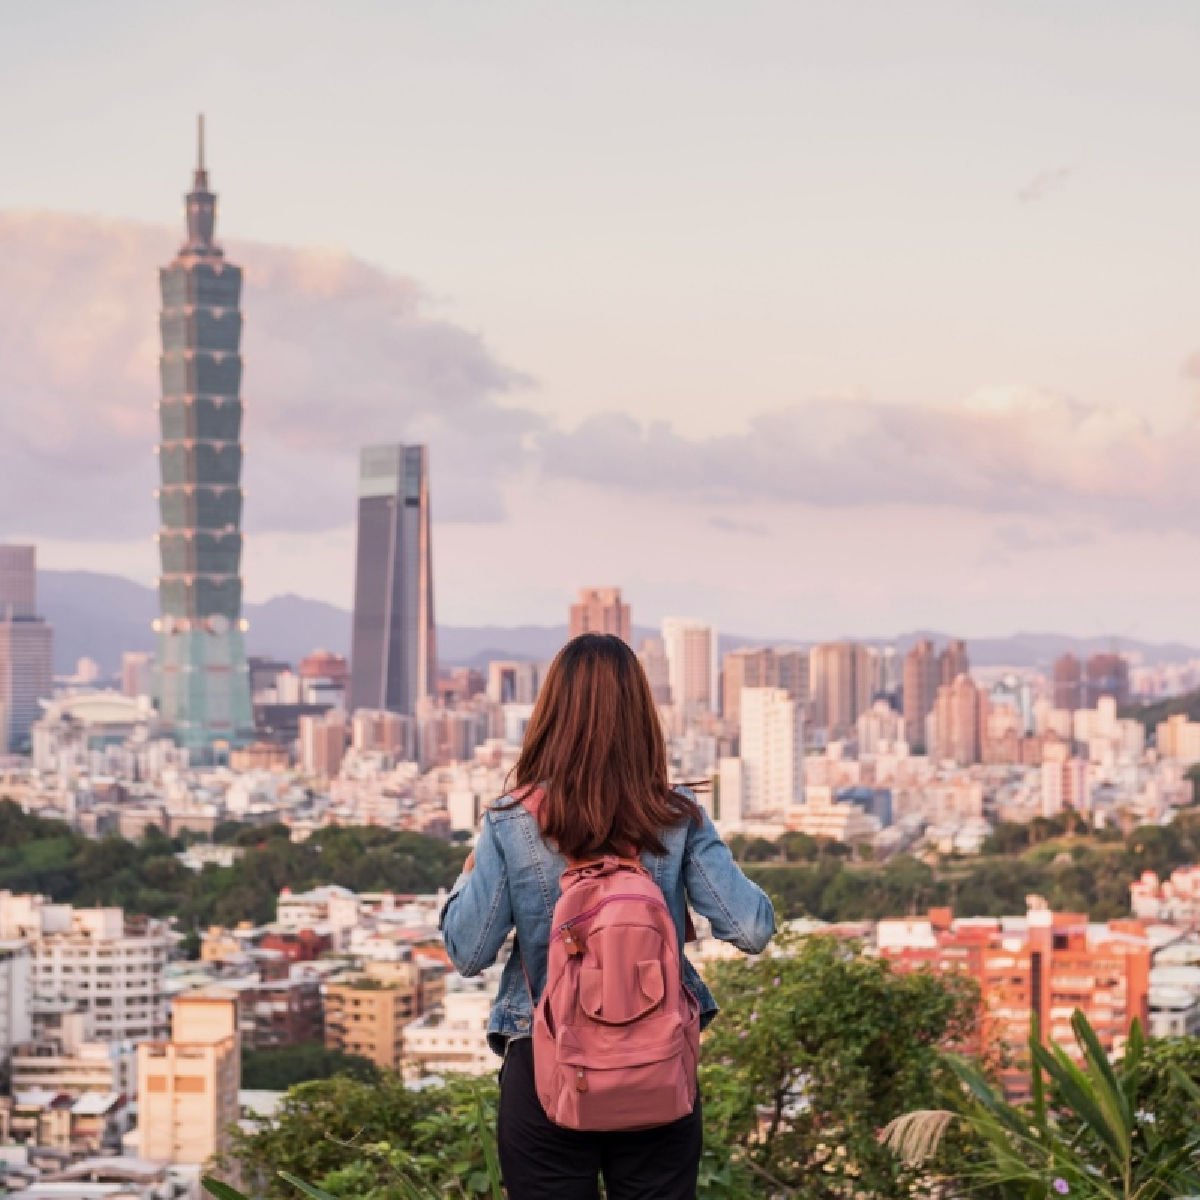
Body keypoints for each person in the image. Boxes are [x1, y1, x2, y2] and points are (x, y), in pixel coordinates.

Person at [440, 632, 776, 1199]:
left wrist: (468, 874)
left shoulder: (512, 820)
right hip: (656, 1064)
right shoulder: (676, 814)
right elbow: (751, 928)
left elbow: (469, 951)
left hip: (544, 1058)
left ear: (550, 714)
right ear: (642, 716)